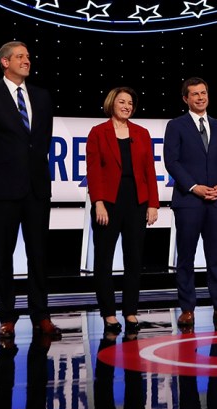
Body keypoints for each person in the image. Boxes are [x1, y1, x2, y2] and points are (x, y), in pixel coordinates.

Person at [0, 40, 61, 340]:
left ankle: (41, 315)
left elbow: (42, 139)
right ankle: (7, 317)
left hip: (36, 189)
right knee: (4, 255)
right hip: (3, 189)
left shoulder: (42, 96)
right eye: (20, 56)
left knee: (39, 254)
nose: (27, 60)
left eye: (28, 56)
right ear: (5, 62)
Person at [163, 77, 217, 327]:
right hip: (188, 201)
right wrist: (195, 187)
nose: (200, 97)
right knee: (186, 257)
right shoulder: (176, 126)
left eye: (203, 93)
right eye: (194, 94)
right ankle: (187, 308)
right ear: (185, 98)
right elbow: (172, 161)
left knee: (216, 257)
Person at [86, 87, 159, 335]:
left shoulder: (142, 133)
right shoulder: (98, 132)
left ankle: (130, 310)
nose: (127, 106)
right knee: (104, 261)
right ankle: (108, 312)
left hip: (137, 202)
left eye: (130, 102)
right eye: (122, 101)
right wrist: (98, 202)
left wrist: (153, 204)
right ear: (112, 103)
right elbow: (94, 171)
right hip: (108, 202)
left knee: (134, 260)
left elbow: (150, 169)